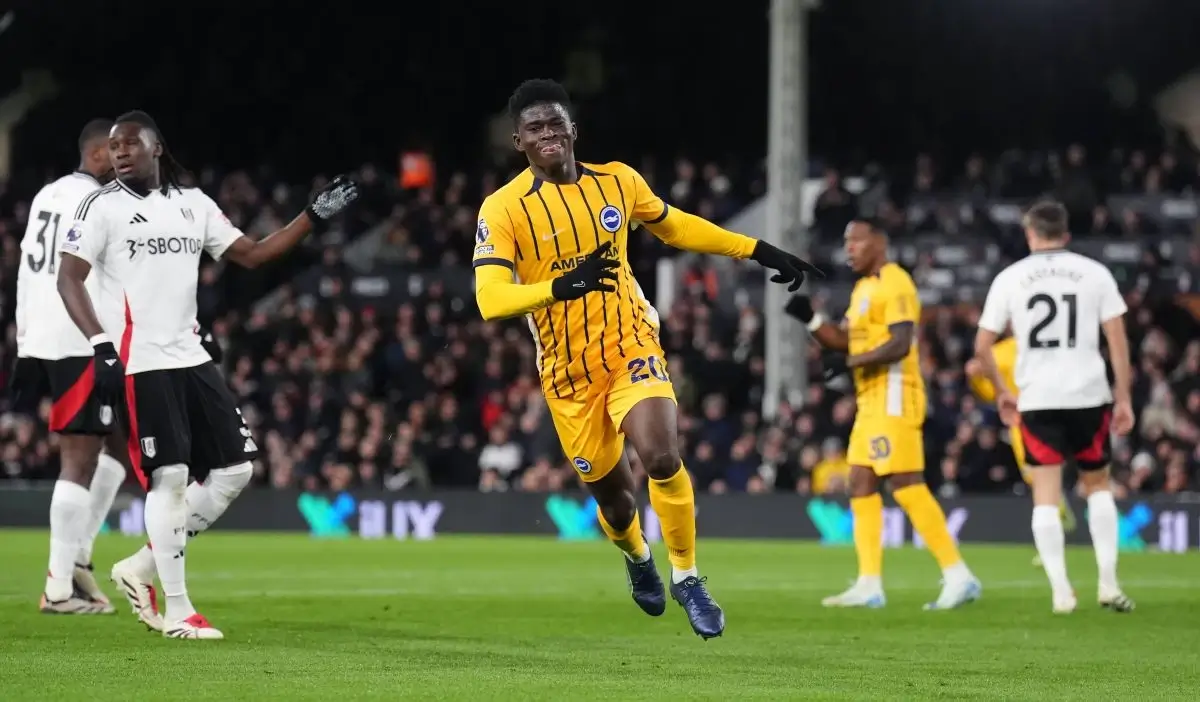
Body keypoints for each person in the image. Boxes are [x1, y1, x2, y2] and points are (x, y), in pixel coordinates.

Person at [472, 79, 821, 639]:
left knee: (661, 456)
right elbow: (490, 299)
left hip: (631, 344)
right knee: (615, 500)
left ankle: (687, 576)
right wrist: (561, 287)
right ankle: (637, 558)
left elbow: (675, 226)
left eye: (556, 122)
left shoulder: (618, 181)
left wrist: (754, 249)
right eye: (535, 128)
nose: (548, 134)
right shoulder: (504, 209)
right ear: (519, 141)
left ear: (573, 129)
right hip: (568, 375)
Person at [57, 110, 359, 639]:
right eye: (113, 145)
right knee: (170, 478)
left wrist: (312, 215)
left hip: (191, 357)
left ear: (157, 147)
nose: (120, 151)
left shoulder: (193, 205)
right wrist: (101, 345)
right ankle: (177, 610)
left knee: (235, 471)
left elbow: (255, 254)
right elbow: (68, 280)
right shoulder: (100, 207)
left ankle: (141, 567)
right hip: (142, 360)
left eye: (130, 143)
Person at [785, 218, 981, 610]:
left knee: (906, 483)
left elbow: (901, 343)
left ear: (877, 242)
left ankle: (958, 575)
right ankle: (870, 583)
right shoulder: (862, 289)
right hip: (870, 399)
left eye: (854, 240)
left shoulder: (895, 282)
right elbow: (842, 341)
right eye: (845, 242)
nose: (848, 248)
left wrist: (852, 361)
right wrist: (812, 319)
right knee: (860, 481)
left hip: (894, 395)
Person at [974, 200, 1134, 614]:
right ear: (1065, 233)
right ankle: (1108, 584)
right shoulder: (1094, 273)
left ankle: (1062, 592)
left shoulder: (1011, 277)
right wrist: (1124, 397)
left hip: (1038, 398)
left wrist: (1002, 391)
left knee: (1045, 496)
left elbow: (981, 347)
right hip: (1088, 393)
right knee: (1097, 485)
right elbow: (1117, 340)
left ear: (1030, 234)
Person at [11, 118, 129, 615]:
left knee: (120, 447)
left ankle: (78, 560)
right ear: (99, 152)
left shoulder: (47, 194)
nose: (124, 161)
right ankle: (59, 587)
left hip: (41, 334)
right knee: (79, 459)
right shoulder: (97, 202)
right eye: (118, 151)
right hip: (81, 338)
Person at [965, 336, 1077, 567]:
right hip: (1020, 423)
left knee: (1041, 477)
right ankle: (1060, 509)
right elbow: (991, 393)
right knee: (1034, 478)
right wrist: (975, 378)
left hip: (1045, 416)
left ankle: (1050, 542)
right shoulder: (998, 352)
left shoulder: (1048, 342)